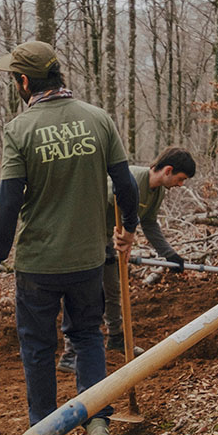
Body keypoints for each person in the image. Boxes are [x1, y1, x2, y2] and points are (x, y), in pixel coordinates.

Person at [0, 40, 140, 435]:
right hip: (89, 258)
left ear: (25, 81)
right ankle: (97, 420)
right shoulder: (98, 119)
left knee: (37, 347)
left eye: (15, 77)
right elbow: (126, 185)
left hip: (39, 263)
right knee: (87, 335)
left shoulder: (20, 129)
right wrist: (130, 230)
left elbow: (9, 202)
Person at [57, 146, 197, 373]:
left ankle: (116, 338)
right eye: (180, 179)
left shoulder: (157, 192)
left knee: (114, 291)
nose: (180, 185)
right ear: (168, 170)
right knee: (85, 295)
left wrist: (170, 254)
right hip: (86, 238)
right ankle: (70, 353)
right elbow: (96, 204)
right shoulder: (130, 178)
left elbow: (149, 224)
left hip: (113, 245)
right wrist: (103, 244)